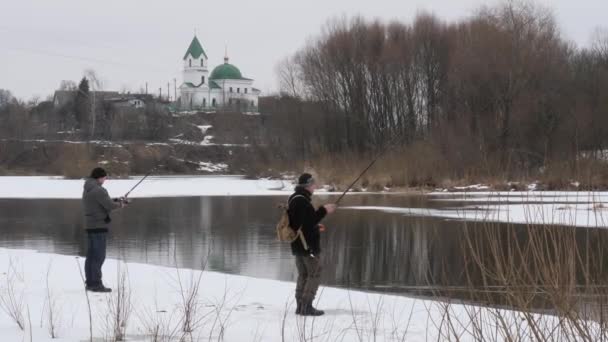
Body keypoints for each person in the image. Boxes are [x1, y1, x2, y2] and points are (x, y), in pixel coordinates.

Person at [288, 173, 336, 316]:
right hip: (306, 246)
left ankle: (300, 306)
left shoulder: (294, 198)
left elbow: (302, 223)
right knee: (314, 274)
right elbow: (308, 223)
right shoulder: (302, 201)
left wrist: (316, 226)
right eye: (314, 184)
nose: (315, 186)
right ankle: (306, 306)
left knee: (303, 274)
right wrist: (324, 210)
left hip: (297, 244)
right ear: (308, 185)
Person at [82, 167, 126, 292]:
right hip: (98, 226)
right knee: (98, 256)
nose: (105, 180)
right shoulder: (99, 190)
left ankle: (90, 282)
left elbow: (101, 202)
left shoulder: (88, 188)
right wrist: (121, 204)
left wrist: (117, 200)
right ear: (100, 177)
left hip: (90, 225)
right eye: (105, 177)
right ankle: (96, 284)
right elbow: (109, 205)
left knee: (91, 256)